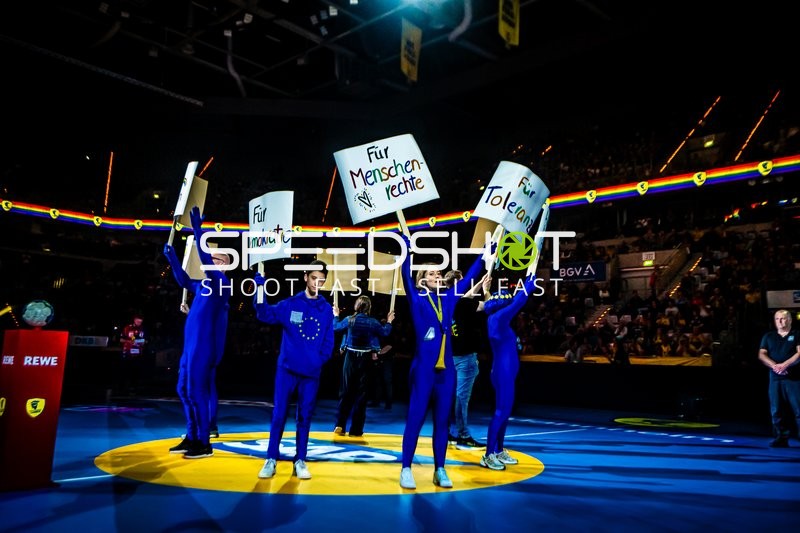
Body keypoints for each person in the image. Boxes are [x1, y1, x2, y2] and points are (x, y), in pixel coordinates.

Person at [398, 234, 488, 490]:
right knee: (415, 418)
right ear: (422, 279)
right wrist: (406, 250)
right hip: (423, 370)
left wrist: (484, 255)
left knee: (442, 421)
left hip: (446, 372)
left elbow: (469, 277)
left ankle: (440, 469)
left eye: (439, 273)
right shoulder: (416, 299)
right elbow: (405, 274)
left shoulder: (448, 299)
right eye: (432, 273)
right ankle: (406, 468)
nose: (438, 275)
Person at [253, 259, 334, 480]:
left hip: (311, 374)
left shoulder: (326, 310)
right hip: (286, 370)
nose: (318, 282)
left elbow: (329, 340)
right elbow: (264, 314)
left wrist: (318, 361)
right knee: (278, 414)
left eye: (322, 280)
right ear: (306, 277)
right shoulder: (290, 304)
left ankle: (300, 460)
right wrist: (259, 290)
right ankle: (271, 458)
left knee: (305, 417)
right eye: (315, 278)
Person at [163, 206, 231, 459]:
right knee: (183, 390)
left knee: (197, 392)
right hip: (190, 347)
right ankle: (191, 436)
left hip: (204, 348)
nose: (209, 261)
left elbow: (203, 261)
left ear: (224, 265)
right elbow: (182, 280)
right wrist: (171, 258)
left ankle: (203, 442)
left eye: (215, 259)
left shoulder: (222, 284)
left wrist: (199, 231)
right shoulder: (203, 284)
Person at [480, 275, 537, 471]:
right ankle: (488, 454)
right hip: (503, 372)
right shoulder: (501, 318)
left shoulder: (495, 317)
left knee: (504, 412)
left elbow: (497, 303)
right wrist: (528, 284)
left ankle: (499, 450)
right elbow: (519, 301)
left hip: (504, 370)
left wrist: (486, 291)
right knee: (501, 412)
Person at [332, 295, 394, 437]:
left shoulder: (350, 320)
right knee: (361, 394)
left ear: (356, 306)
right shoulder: (372, 322)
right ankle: (356, 429)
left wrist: (336, 315)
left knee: (345, 391)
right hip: (365, 359)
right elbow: (385, 332)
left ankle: (340, 425)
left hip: (351, 357)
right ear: (369, 307)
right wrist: (389, 321)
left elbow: (335, 327)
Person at [444, 269, 491, 449]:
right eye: (463, 281)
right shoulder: (463, 304)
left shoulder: (448, 301)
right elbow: (488, 307)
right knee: (462, 398)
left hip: (451, 357)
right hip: (465, 358)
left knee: (451, 396)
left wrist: (480, 282)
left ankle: (446, 431)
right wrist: (486, 290)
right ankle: (463, 434)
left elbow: (466, 296)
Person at [757, 309, 800, 448]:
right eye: (777, 319)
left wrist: (785, 365)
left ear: (790, 320)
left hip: (794, 378)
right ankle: (781, 437)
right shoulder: (768, 336)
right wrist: (775, 366)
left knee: (798, 409)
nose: (780, 321)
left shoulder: (797, 334)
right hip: (775, 378)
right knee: (777, 409)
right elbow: (762, 354)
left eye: (783, 318)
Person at [180, 301, 221, 438]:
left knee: (203, 389)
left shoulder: (218, 302)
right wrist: (190, 313)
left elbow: (206, 322)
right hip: (207, 346)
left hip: (208, 348)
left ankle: (207, 427)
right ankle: (207, 427)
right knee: (204, 388)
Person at [119, 314, 147, 395]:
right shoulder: (127, 328)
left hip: (138, 354)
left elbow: (145, 340)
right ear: (134, 320)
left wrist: (142, 342)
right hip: (127, 353)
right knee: (125, 370)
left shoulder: (143, 329)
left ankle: (134, 388)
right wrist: (129, 341)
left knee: (136, 372)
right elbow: (121, 339)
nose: (139, 323)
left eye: (141, 322)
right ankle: (122, 388)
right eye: (138, 321)